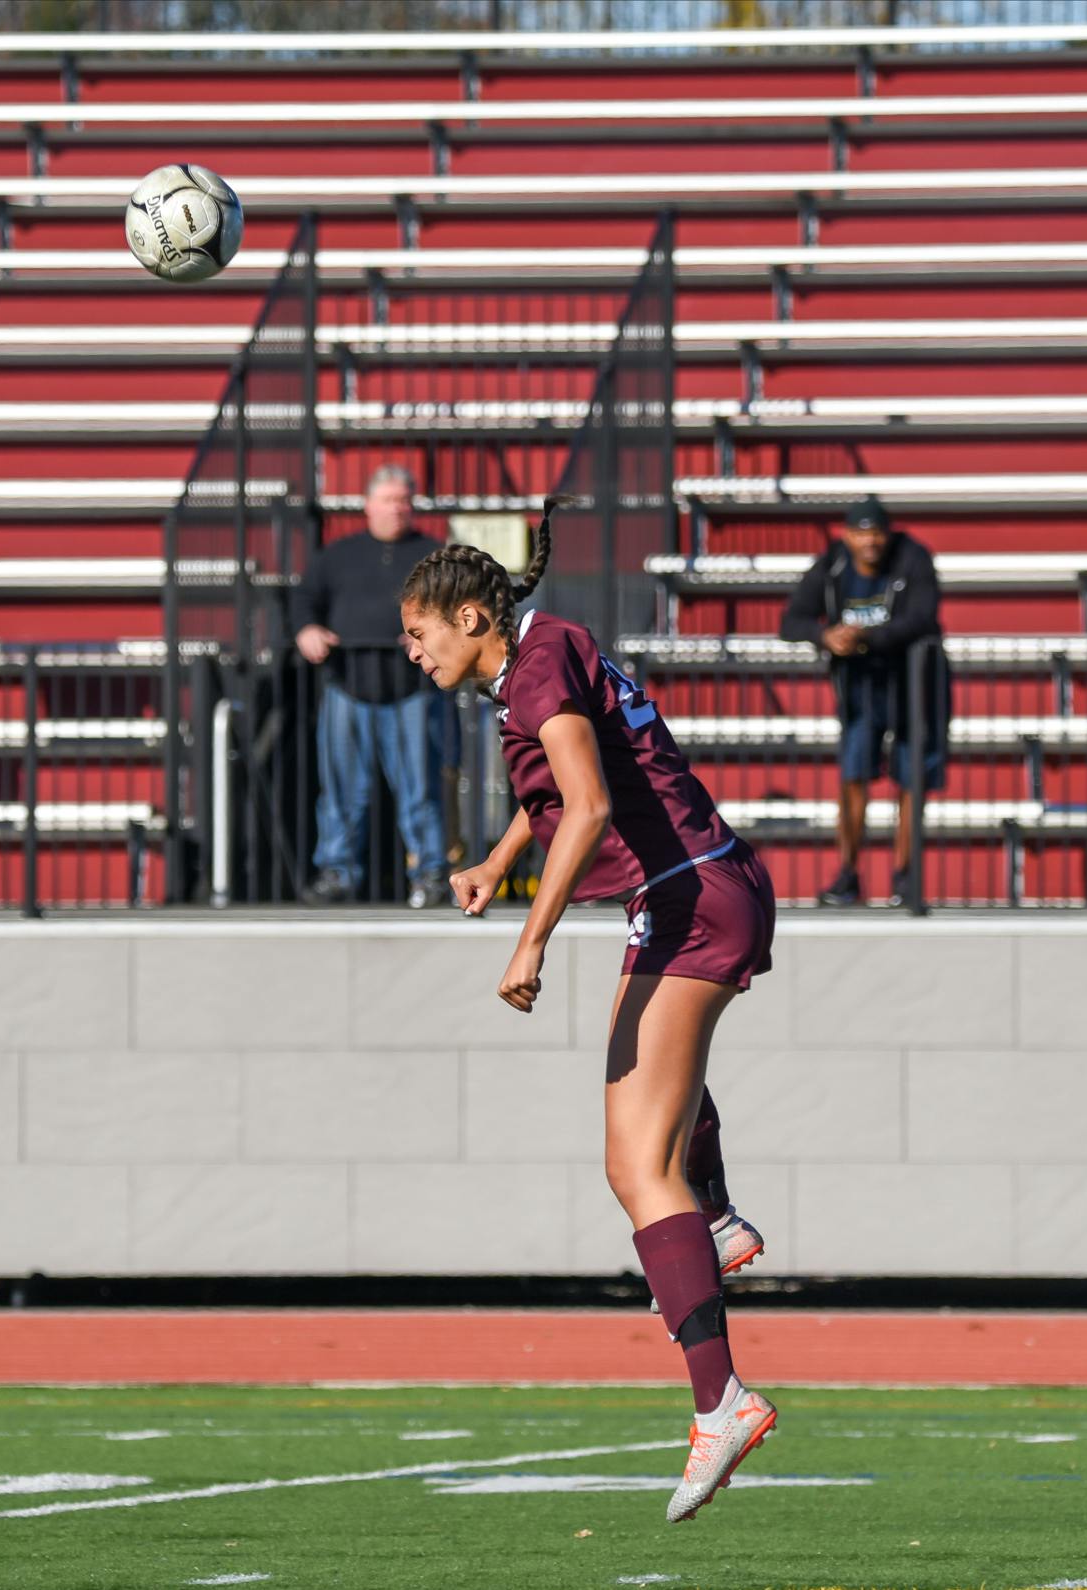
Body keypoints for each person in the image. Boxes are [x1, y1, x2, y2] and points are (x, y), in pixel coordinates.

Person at [400, 498, 777, 1524]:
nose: (412, 652)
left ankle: (722, 1402)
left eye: (419, 632)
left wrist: (530, 938)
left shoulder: (533, 671)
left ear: (469, 617)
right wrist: (499, 859)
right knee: (647, 1105)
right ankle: (717, 1220)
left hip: (690, 896)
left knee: (632, 1165)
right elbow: (569, 791)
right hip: (700, 887)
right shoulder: (548, 649)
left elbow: (593, 805)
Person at [293, 465, 451, 909]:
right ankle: (337, 872)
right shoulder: (337, 555)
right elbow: (303, 599)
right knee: (341, 791)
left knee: (420, 789)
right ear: (368, 505)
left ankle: (430, 873)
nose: (396, 508)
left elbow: (454, 606)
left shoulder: (432, 556)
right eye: (388, 499)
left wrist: (430, 635)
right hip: (347, 685)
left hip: (412, 688)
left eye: (404, 500)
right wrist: (307, 630)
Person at [778, 495, 947, 908]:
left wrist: (864, 637)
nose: (870, 541)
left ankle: (906, 877)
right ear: (847, 535)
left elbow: (923, 616)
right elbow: (791, 621)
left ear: (887, 534)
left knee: (912, 780)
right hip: (860, 691)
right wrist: (824, 635)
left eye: (877, 533)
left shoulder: (912, 558)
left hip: (915, 687)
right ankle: (848, 876)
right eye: (861, 533)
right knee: (854, 777)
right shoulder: (832, 564)